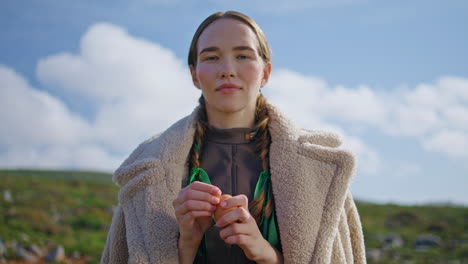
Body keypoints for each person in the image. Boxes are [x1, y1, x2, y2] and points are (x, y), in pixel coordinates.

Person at [101, 11, 366, 264]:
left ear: (266, 72)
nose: (227, 69)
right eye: (211, 57)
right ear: (194, 75)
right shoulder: (146, 168)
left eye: (243, 55)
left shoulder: (321, 166)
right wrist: (187, 244)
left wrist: (266, 254)